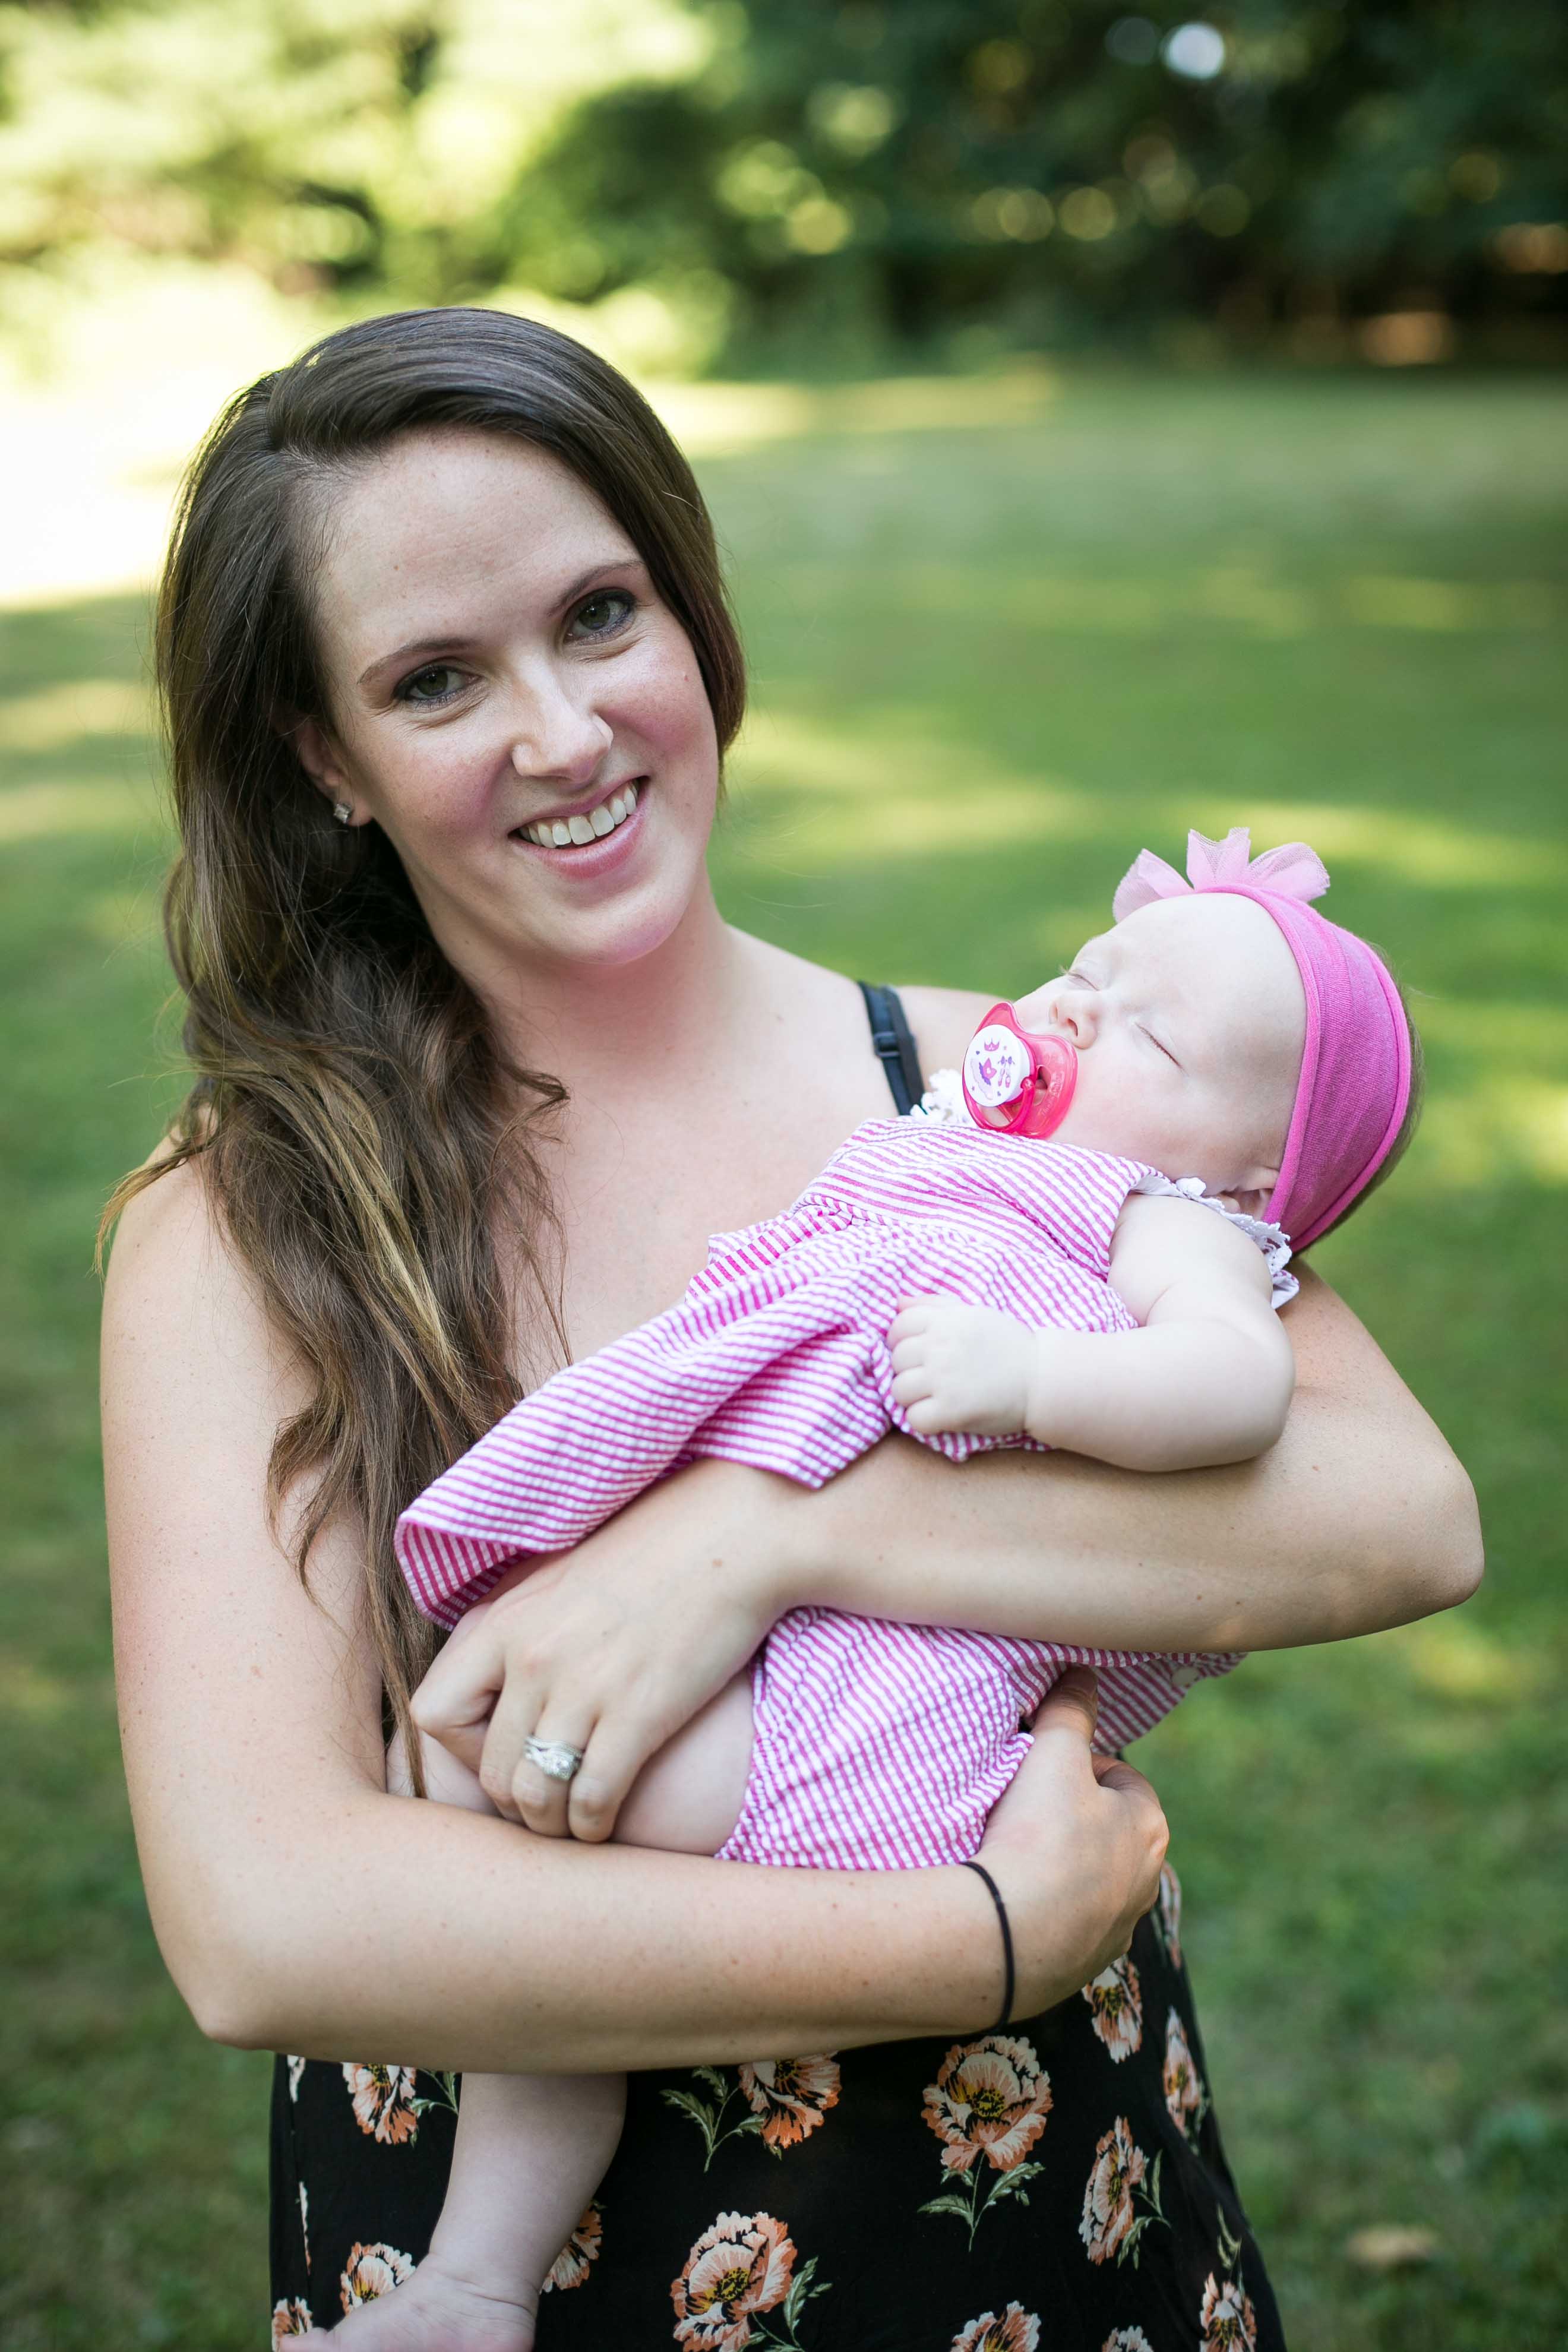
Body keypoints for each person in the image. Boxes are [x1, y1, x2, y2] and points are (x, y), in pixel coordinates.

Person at [99, 309, 1480, 2351]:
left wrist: (765, 1532)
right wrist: (971, 1939)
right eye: (434, 679)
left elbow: (1406, 1518)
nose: (565, 733)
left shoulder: (1000, 1101)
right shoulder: (248, 1226)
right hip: (524, 2277)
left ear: (693, 610)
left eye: (602, 615)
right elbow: (263, 1923)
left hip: (1033, 2237)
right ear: (324, 758)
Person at [328, 827, 1418, 2347]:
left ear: (1251, 1174)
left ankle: (475, 2278)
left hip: (865, 1706)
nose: (1078, 1010)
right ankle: (476, 2278)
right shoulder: (958, 1149)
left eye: (1153, 1036)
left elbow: (1239, 1388)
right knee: (499, 1803)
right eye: (1091, 974)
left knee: (497, 1789)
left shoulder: (1174, 1224)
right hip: (771, 1653)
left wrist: (1033, 1379)